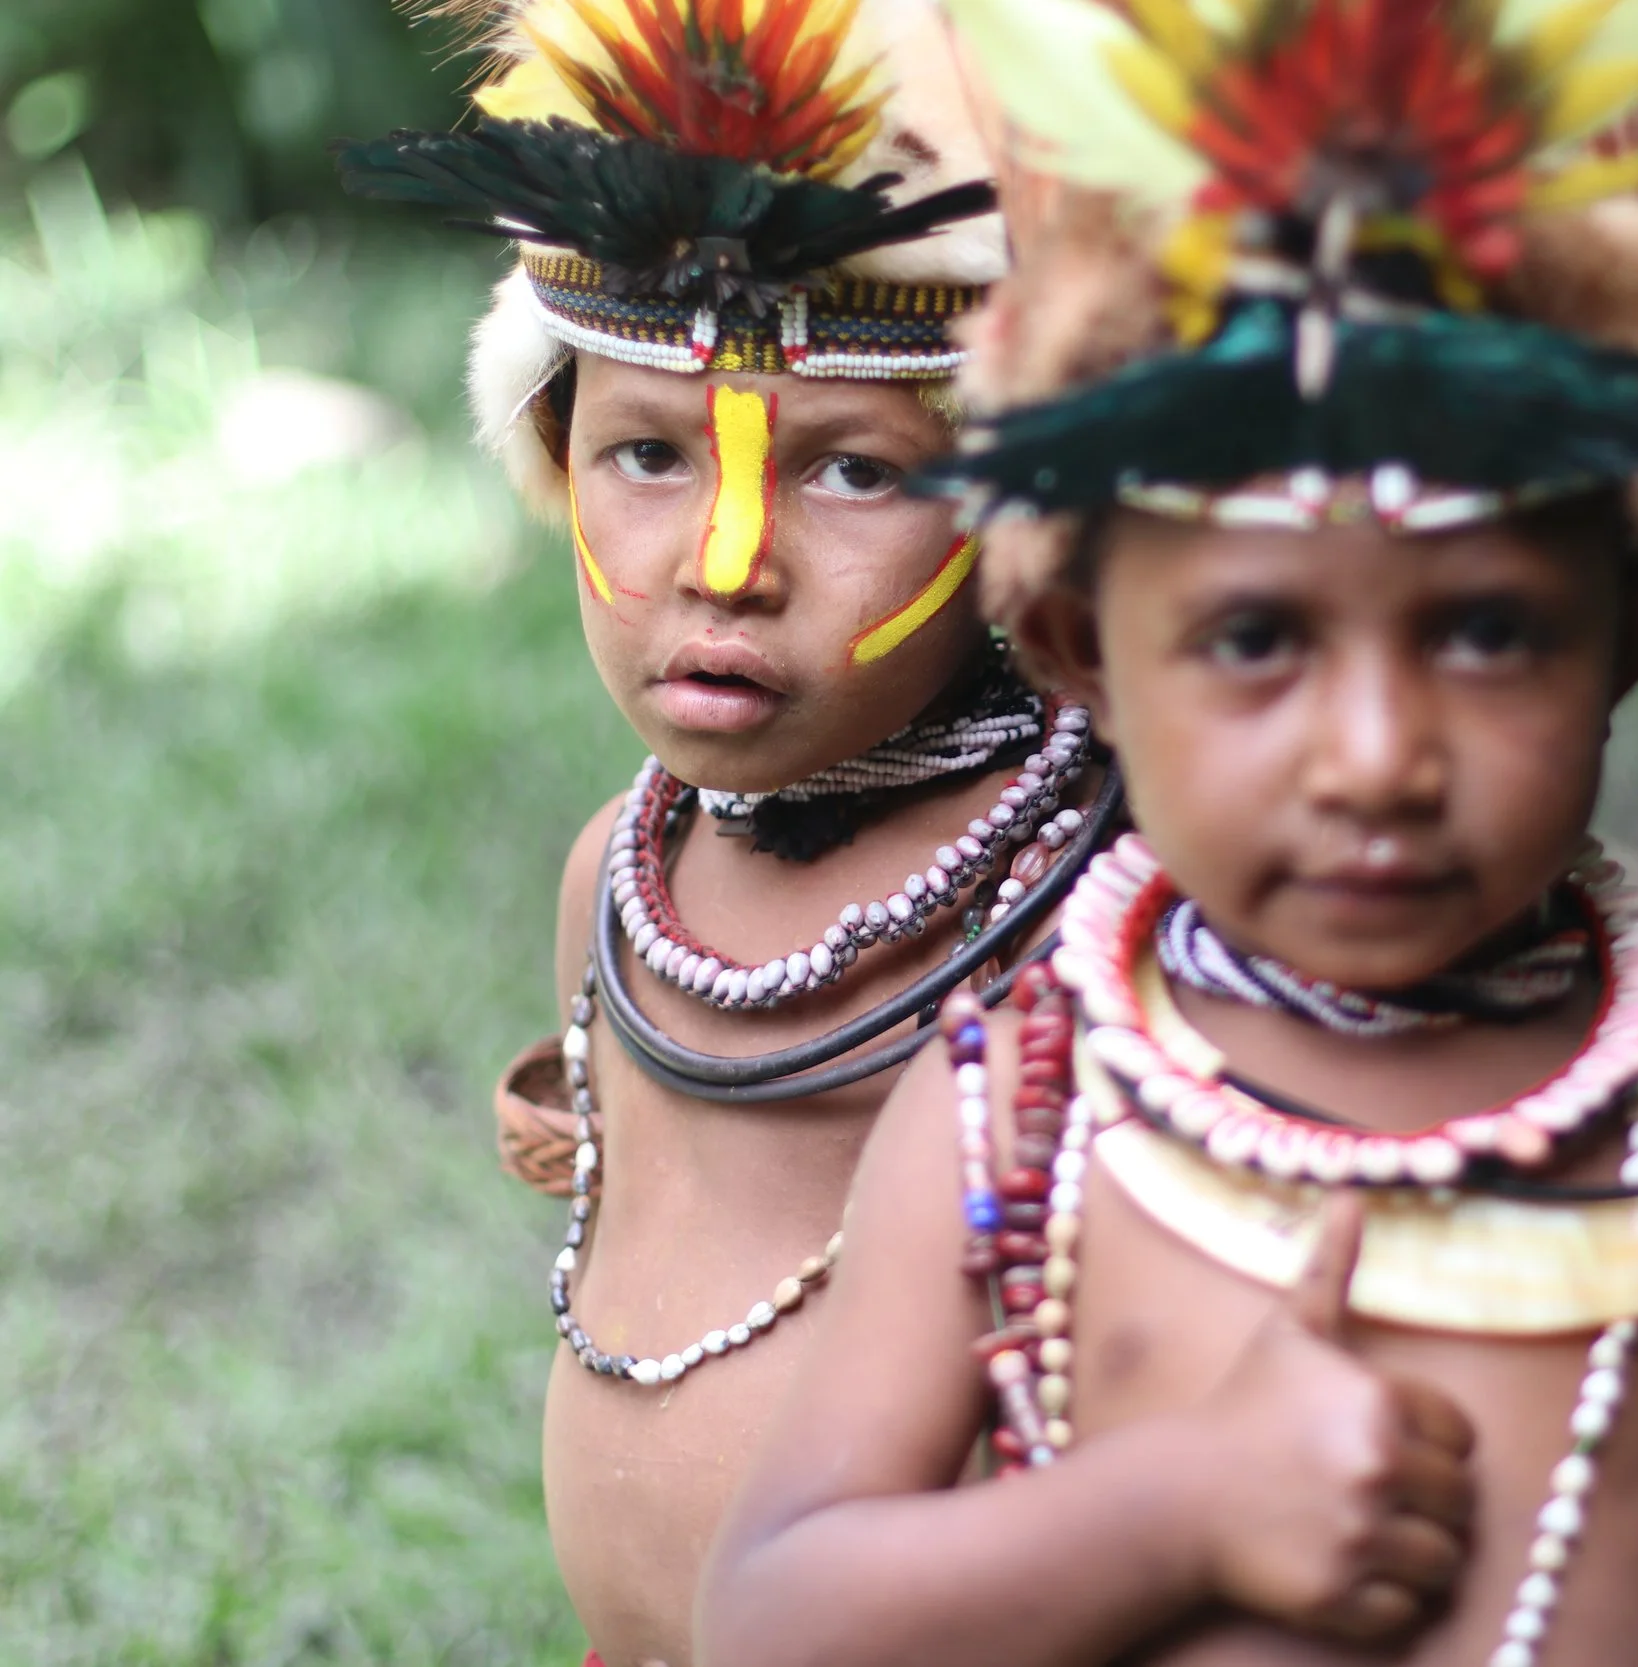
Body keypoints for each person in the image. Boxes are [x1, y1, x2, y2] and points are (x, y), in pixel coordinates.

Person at [696, 1, 1638, 1664]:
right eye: (1257, 640)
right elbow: (774, 1618)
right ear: (1079, 647)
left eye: (1490, 632)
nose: (1376, 759)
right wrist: (1184, 1505)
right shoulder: (1017, 1127)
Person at [336, 4, 1117, 1664]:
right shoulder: (616, 879)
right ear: (550, 445)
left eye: (852, 473)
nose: (726, 558)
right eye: (643, 452)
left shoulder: (1090, 921)